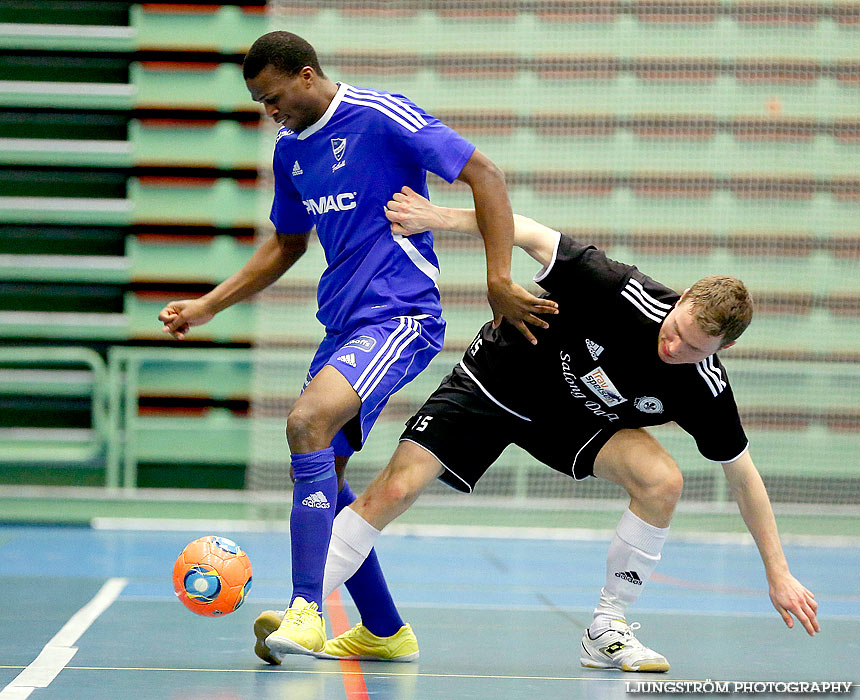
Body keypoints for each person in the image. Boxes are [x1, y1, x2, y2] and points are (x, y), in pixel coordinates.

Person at [157, 32, 557, 665]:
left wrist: (498, 279)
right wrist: (211, 304)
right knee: (326, 475)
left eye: (275, 97)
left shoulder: (380, 116)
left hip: (401, 313)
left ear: (308, 76)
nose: (271, 113)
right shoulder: (289, 154)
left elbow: (486, 174)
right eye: (260, 104)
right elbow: (287, 244)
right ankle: (383, 630)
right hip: (343, 325)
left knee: (307, 422)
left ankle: (306, 610)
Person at [298, 186, 820, 671]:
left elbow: (743, 476)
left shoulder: (705, 387)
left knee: (663, 479)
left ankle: (607, 627)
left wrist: (778, 572)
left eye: (694, 348)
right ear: (680, 301)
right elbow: (524, 229)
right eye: (677, 330)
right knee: (396, 487)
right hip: (502, 375)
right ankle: (301, 608)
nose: (675, 348)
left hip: (575, 419)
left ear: (722, 349)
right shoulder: (620, 289)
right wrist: (439, 217)